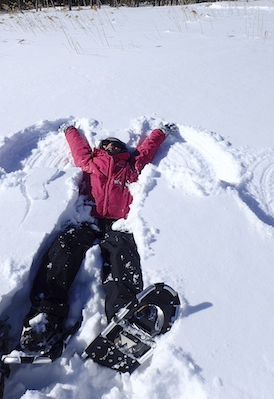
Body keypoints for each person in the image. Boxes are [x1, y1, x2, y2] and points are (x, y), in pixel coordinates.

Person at [19, 122, 178, 352]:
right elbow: (79, 148)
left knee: (122, 255)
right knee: (65, 246)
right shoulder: (91, 162)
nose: (112, 146)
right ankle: (45, 315)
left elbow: (146, 150)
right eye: (107, 143)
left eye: (116, 144)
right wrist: (69, 131)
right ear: (101, 148)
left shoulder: (131, 167)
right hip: (88, 219)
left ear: (123, 149)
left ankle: (123, 316)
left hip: (117, 224)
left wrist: (160, 133)